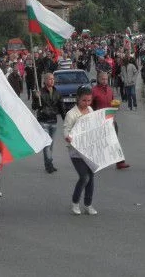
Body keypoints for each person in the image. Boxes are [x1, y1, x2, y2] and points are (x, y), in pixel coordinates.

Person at [64, 86, 98, 215]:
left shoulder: (90, 109)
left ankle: (88, 205)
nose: (87, 103)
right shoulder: (71, 114)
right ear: (78, 99)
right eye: (84, 100)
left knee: (91, 177)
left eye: (89, 100)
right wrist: (68, 136)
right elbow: (66, 129)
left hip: (89, 150)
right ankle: (75, 202)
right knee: (84, 177)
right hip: (76, 152)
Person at [91, 71, 130, 170]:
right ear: (98, 79)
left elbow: (111, 103)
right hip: (98, 120)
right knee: (99, 143)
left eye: (106, 79)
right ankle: (94, 161)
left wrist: (115, 105)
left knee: (114, 141)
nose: (105, 81)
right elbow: (90, 107)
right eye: (102, 79)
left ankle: (120, 162)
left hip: (110, 119)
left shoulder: (109, 90)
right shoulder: (94, 91)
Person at [32, 73, 64, 173]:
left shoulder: (57, 92)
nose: (52, 81)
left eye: (53, 79)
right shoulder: (39, 92)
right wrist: (37, 98)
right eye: (49, 79)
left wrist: (65, 119)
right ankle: (49, 164)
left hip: (53, 121)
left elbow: (61, 107)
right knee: (46, 144)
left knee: (51, 145)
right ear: (45, 81)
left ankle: (48, 164)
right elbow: (34, 107)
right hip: (43, 121)